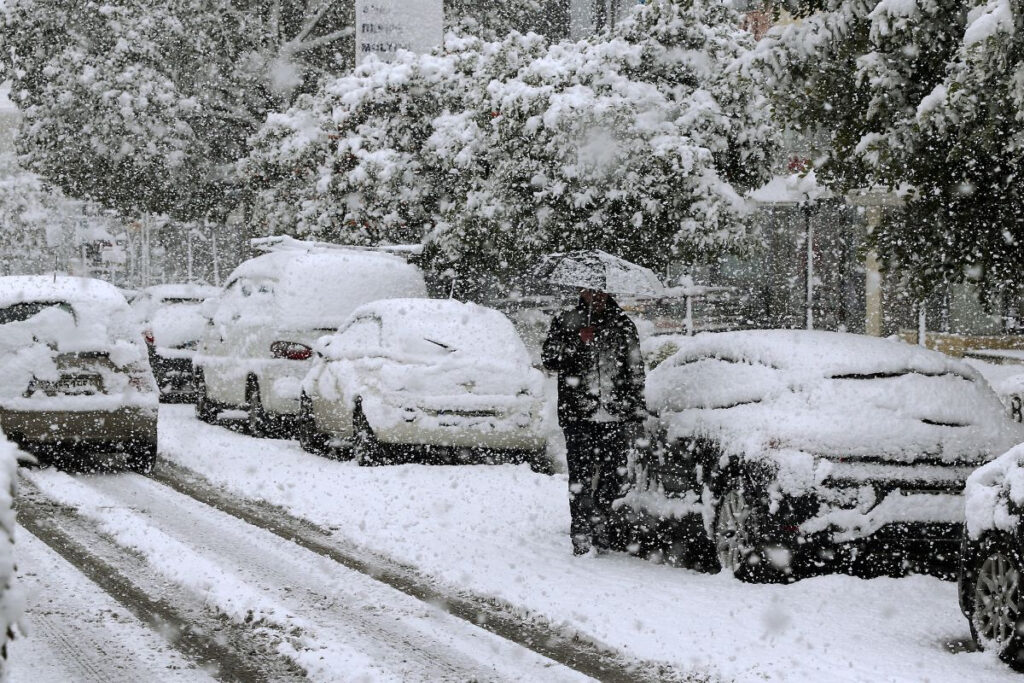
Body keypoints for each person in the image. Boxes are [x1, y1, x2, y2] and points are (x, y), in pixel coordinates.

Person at [542, 288, 646, 555]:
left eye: (600, 291)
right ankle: (581, 532)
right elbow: (550, 359)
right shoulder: (567, 320)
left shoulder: (622, 323)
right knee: (581, 476)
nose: (596, 296)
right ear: (581, 292)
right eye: (590, 292)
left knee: (614, 475)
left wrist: (636, 409)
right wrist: (577, 341)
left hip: (614, 414)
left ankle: (601, 522)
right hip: (579, 414)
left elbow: (635, 369)